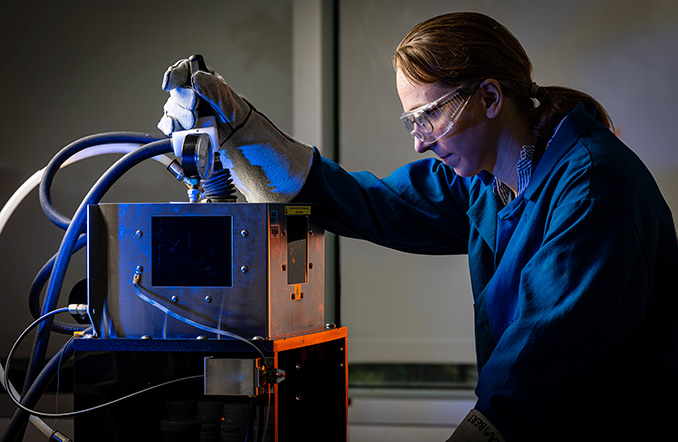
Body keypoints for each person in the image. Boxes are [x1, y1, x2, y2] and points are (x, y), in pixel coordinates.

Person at [158, 12, 678, 442]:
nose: (419, 142)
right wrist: (243, 132)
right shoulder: (485, 180)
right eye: (411, 123)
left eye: (427, 117)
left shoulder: (592, 192)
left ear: (491, 98)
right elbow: (366, 204)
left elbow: (531, 371)